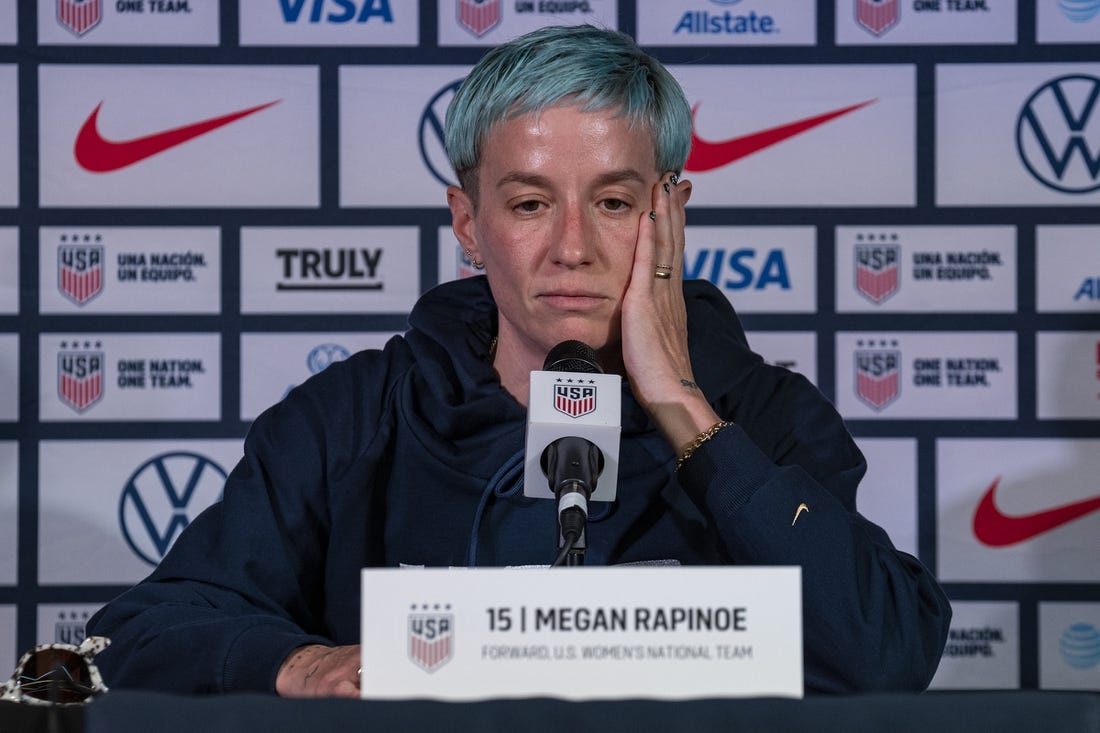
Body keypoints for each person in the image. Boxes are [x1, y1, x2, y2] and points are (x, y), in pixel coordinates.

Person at [87, 24, 951, 697]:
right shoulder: (351, 415)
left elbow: (885, 654)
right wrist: (300, 662)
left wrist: (687, 413)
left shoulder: (760, 417)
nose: (571, 247)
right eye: (532, 202)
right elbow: (137, 634)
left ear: (671, 213)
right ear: (468, 224)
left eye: (613, 201)